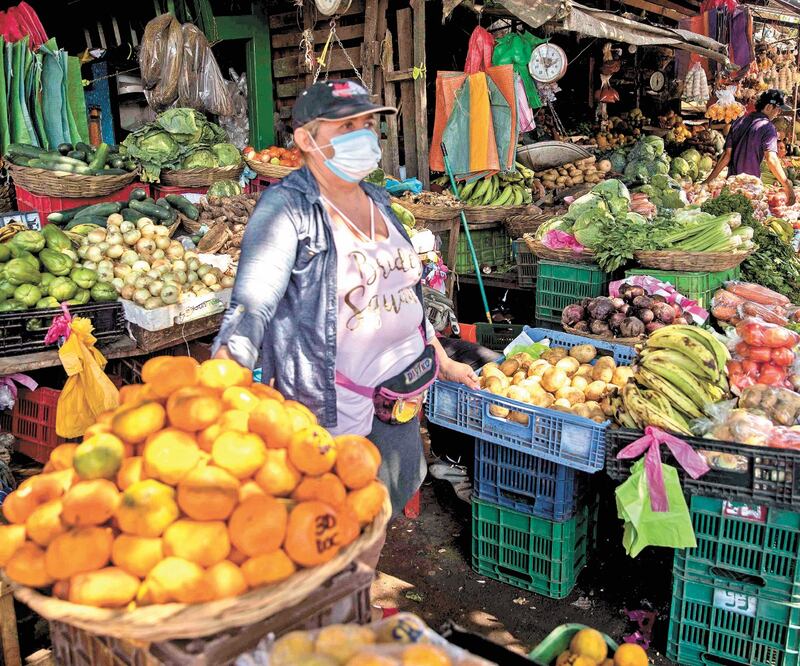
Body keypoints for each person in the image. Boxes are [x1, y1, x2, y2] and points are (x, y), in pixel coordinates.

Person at [212, 79, 479, 525]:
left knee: (380, 510)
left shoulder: (377, 198)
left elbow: (405, 291)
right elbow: (251, 306)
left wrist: (440, 357)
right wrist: (220, 384)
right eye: (346, 125)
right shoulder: (286, 209)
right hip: (333, 413)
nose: (363, 135)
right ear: (305, 139)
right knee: (333, 526)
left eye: (368, 124)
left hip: (399, 397)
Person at [705, 89, 796, 205]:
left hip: (732, 185)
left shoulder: (738, 122)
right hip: (750, 188)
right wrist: (788, 187)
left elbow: (726, 156)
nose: (778, 113)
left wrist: (707, 181)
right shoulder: (768, 127)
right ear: (768, 107)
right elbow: (771, 159)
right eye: (778, 110)